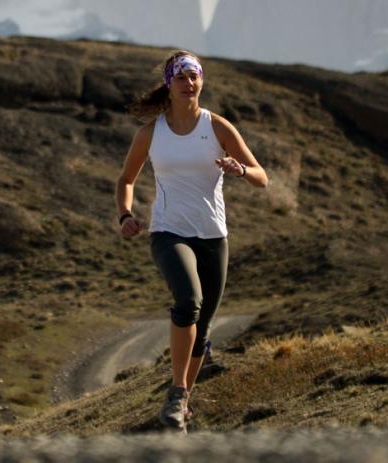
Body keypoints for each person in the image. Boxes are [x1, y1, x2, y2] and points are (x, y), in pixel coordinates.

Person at [115, 50, 268, 432]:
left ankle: (182, 402)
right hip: (169, 232)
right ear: (169, 84)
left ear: (202, 81)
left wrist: (240, 169)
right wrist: (125, 215)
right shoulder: (152, 133)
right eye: (181, 77)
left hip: (213, 236)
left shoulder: (217, 127)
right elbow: (126, 180)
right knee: (189, 302)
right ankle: (176, 393)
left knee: (203, 328)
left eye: (194, 76)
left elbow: (262, 177)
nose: (189, 83)